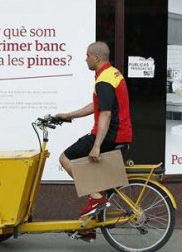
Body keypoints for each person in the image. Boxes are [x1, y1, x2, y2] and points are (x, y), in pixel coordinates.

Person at [56, 41, 132, 222]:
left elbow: (105, 114)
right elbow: (97, 106)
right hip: (119, 132)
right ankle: (90, 225)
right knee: (93, 173)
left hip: (111, 134)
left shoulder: (104, 80)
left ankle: (97, 200)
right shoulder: (111, 74)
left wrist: (97, 145)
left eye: (87, 55)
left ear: (96, 58)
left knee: (65, 159)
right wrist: (69, 115)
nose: (85, 59)